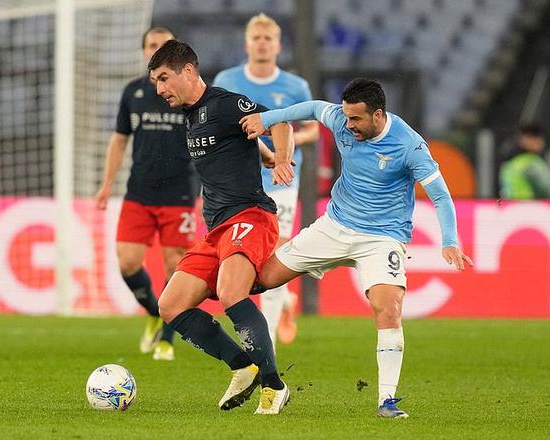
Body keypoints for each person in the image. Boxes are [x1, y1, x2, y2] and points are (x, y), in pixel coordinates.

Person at [240, 78, 473, 418]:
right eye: (346, 117)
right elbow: (313, 108)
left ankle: (386, 401)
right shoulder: (341, 118)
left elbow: (440, 195)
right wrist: (268, 118)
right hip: (333, 227)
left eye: (356, 119)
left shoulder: (409, 145)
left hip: (382, 238)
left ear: (378, 115)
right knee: (258, 281)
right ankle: (270, 327)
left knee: (388, 309)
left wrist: (449, 240)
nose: (348, 125)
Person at [148, 40, 295, 414]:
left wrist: (281, 157)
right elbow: (239, 141)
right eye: (155, 82)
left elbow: (279, 122)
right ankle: (242, 366)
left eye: (163, 78)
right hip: (216, 230)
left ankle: (273, 386)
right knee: (170, 305)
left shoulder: (225, 104)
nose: (159, 89)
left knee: (232, 292)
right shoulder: (189, 117)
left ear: (188, 71)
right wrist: (263, 154)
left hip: (250, 217)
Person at [213, 13, 319, 349]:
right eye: (256, 39)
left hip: (281, 178)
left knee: (275, 252)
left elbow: (313, 129)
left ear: (278, 45)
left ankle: (267, 342)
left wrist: (285, 145)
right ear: (247, 45)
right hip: (238, 179)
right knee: (250, 257)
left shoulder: (294, 86)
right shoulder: (227, 80)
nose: (262, 44)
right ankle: (285, 301)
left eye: (267, 39)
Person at [95, 27, 197, 362]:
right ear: (144, 52)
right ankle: (154, 312)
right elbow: (119, 139)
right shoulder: (133, 92)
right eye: (152, 45)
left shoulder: (188, 94)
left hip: (178, 193)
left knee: (175, 265)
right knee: (127, 262)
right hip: (139, 191)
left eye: (164, 45)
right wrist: (106, 183)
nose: (157, 49)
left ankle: (167, 339)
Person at [499, 123, 550, 199]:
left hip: (508, 204)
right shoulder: (532, 163)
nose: (540, 141)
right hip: (527, 204)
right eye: (536, 137)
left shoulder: (509, 164)